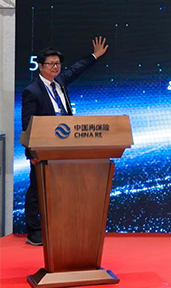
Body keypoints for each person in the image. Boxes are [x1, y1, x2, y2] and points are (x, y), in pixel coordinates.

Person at [20, 37, 110, 246]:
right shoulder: (32, 91)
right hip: (44, 149)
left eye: (58, 63)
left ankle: (58, 227)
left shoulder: (60, 82)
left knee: (61, 188)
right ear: (40, 66)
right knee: (37, 190)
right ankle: (34, 232)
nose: (55, 67)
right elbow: (28, 125)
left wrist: (95, 55)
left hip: (66, 146)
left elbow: (77, 69)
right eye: (51, 64)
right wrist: (32, 153)